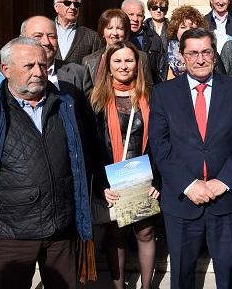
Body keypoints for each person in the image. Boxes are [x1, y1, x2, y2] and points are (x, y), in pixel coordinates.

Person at [0, 37, 92, 289]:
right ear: (5, 70)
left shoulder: (67, 105)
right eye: (29, 66)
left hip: (61, 233)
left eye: (43, 65)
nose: (38, 72)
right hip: (7, 235)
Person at [149, 28, 232, 289]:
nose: (200, 59)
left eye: (206, 52)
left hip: (225, 200)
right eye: (192, 53)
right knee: (182, 276)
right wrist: (188, 184)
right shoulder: (163, 93)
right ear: (182, 57)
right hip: (182, 201)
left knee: (229, 277)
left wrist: (225, 181)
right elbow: (160, 146)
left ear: (215, 55)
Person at [90, 41, 159, 289]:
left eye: (129, 60)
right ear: (108, 66)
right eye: (117, 61)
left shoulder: (151, 96)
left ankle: (146, 286)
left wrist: (157, 180)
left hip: (144, 178)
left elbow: (160, 142)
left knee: (146, 232)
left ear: (137, 65)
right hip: (112, 180)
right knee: (116, 235)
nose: (123, 66)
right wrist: (100, 185)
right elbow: (91, 147)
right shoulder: (96, 100)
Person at [0, 16, 92, 101]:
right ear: (22, 38)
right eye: (38, 36)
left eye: (52, 36)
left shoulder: (78, 73)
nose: (46, 42)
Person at [81, 9, 153, 86]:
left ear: (126, 32)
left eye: (120, 28)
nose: (115, 33)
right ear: (102, 32)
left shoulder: (141, 58)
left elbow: (148, 88)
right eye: (109, 28)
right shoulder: (89, 61)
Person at [162, 5, 226, 81]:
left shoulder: (211, 55)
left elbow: (222, 82)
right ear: (175, 30)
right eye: (183, 27)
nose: (187, 31)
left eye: (192, 28)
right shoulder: (166, 54)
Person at [53, 0, 103, 64]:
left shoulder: (92, 36)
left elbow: (95, 67)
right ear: (56, 7)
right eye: (67, 3)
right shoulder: (44, 31)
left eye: (76, 4)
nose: (73, 7)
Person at [122, 0, 165, 84]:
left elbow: (161, 70)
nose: (135, 19)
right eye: (131, 14)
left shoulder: (154, 39)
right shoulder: (115, 37)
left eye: (139, 15)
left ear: (143, 18)